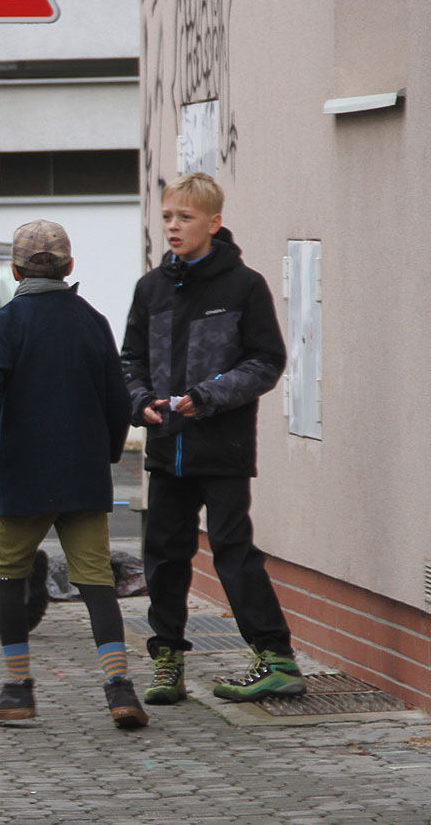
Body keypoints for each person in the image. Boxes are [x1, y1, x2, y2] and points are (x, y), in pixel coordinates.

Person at [0, 220, 147, 728]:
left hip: (23, 474)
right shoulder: (92, 321)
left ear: (15, 271)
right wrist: (105, 454)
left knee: (7, 572)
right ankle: (120, 690)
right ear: (69, 267)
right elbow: (117, 399)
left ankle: (17, 688)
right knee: (96, 580)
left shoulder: (5, 323)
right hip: (83, 475)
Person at [121, 172, 304, 704]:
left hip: (223, 447)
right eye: (167, 217)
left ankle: (276, 659)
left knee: (232, 551)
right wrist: (139, 401)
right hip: (166, 448)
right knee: (163, 556)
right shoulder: (151, 289)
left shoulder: (244, 286)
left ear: (214, 223)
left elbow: (266, 361)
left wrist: (208, 396)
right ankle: (168, 662)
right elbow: (129, 361)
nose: (173, 227)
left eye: (186, 217)